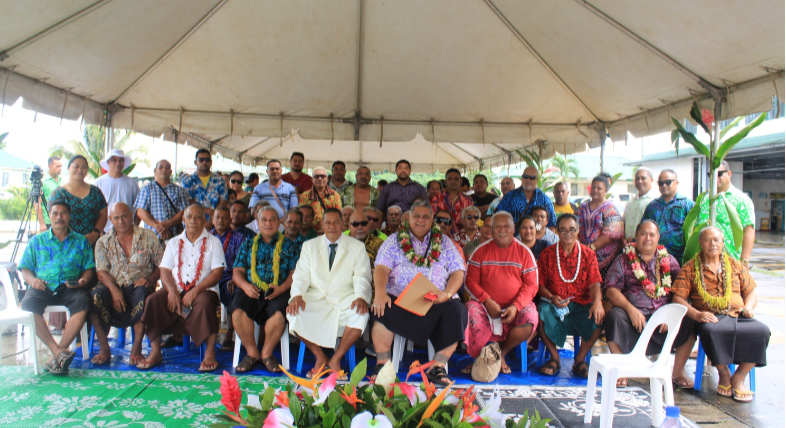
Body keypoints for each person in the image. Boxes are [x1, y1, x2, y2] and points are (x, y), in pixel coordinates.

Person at [371, 201, 467, 386]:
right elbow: (381, 268)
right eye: (417, 216)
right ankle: (382, 364)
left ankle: (438, 366)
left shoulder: (445, 242)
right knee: (382, 307)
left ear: (432, 220)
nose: (421, 220)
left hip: (436, 299)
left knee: (457, 311)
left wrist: (446, 294)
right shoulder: (394, 240)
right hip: (400, 298)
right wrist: (380, 293)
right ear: (409, 218)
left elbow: (458, 272)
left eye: (426, 217)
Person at [671, 226, 769, 402]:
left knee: (762, 331)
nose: (712, 243)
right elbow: (678, 298)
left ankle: (739, 376)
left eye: (716, 240)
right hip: (710, 317)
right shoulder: (690, 268)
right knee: (711, 331)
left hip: (738, 314)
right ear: (700, 243)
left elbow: (751, 292)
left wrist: (749, 306)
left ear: (723, 243)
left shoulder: (735, 264)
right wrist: (697, 315)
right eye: (708, 240)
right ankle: (724, 373)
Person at [604, 220, 694, 387]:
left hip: (663, 322)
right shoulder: (623, 260)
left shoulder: (669, 260)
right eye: (643, 234)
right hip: (634, 320)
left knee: (690, 318)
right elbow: (611, 290)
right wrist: (630, 310)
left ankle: (678, 370)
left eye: (652, 235)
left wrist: (670, 313)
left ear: (658, 238)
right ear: (636, 237)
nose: (648, 238)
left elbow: (681, 290)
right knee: (614, 316)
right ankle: (621, 368)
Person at [137, 205, 227, 371]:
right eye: (189, 216)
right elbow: (164, 270)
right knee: (153, 301)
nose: (193, 220)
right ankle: (155, 351)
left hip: (203, 291)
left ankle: (209, 353)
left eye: (198, 216)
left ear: (205, 220)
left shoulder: (214, 243)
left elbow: (217, 273)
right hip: (176, 288)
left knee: (206, 302)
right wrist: (171, 291)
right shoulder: (173, 242)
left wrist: (195, 291)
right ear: (183, 220)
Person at [287, 208, 372, 376]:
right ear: (322, 225)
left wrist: (361, 297)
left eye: (336, 222)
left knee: (361, 315)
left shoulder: (357, 246)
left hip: (345, 299)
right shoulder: (309, 246)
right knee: (294, 314)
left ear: (343, 224)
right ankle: (320, 357)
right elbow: (301, 275)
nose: (332, 226)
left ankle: (336, 359)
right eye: (328, 222)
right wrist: (296, 296)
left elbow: (362, 276)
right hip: (316, 299)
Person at [18, 201, 94, 375]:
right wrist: (32, 280)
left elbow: (89, 269)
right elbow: (25, 268)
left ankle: (57, 353)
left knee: (84, 301)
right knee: (28, 305)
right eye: (55, 213)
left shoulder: (81, 241)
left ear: (69, 216)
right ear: (49, 216)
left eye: (63, 213)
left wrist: (83, 281)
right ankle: (57, 351)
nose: (59, 217)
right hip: (43, 286)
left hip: (69, 287)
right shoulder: (37, 241)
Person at [463, 212, 539, 375]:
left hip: (514, 307)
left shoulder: (524, 252)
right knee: (470, 310)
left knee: (530, 317)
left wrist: (516, 306)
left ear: (513, 229)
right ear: (491, 229)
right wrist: (487, 301)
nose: (502, 230)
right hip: (485, 306)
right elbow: (470, 281)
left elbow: (532, 285)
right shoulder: (480, 251)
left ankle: (501, 353)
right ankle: (481, 357)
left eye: (506, 226)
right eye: (498, 226)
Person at [91, 203, 163, 365]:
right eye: (116, 218)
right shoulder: (103, 242)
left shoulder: (148, 237)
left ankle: (136, 348)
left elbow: (162, 266)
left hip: (139, 285)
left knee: (144, 294)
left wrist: (150, 280)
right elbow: (101, 271)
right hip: (112, 286)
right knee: (95, 296)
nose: (121, 221)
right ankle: (104, 348)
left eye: (124, 216)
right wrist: (114, 289)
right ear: (110, 219)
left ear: (131, 214)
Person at [231, 207, 301, 373]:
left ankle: (267, 353)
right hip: (251, 289)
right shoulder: (248, 244)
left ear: (279, 223)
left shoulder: (290, 246)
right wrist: (245, 286)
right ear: (258, 223)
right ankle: (252, 353)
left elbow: (295, 273)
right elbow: (237, 271)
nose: (268, 223)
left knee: (279, 315)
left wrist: (282, 288)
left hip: (279, 290)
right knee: (237, 311)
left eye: (272, 220)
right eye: (264, 220)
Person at [536, 214, 604, 378]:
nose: (568, 233)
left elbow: (595, 283)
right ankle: (555, 358)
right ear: (557, 231)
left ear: (578, 231)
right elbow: (539, 285)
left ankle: (579, 360)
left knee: (598, 316)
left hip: (581, 304)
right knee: (540, 312)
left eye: (572, 229)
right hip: (555, 304)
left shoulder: (588, 254)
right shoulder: (547, 254)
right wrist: (552, 298)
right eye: (563, 230)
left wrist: (597, 302)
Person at [211, 205, 253, 350]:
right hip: (209, 277)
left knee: (233, 292)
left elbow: (242, 264)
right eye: (217, 217)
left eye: (224, 217)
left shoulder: (238, 238)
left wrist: (234, 279)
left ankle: (230, 332)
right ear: (212, 219)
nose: (221, 220)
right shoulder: (207, 237)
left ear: (229, 220)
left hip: (228, 277)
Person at [696, 161, 756, 263]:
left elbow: (749, 230)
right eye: (711, 174)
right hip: (703, 261)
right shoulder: (703, 199)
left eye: (719, 174)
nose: (715, 177)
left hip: (731, 260)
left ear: (729, 174)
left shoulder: (742, 200)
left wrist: (744, 260)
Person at [49, 155, 108, 246]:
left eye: (83, 167)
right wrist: (73, 237)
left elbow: (103, 215)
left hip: (91, 242)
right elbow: (54, 218)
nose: (80, 170)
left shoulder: (96, 192)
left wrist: (95, 232)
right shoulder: (58, 194)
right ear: (69, 168)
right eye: (76, 167)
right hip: (67, 243)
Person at [577, 174, 625, 281]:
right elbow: (574, 226)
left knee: (601, 286)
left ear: (606, 191)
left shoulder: (610, 208)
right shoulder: (583, 207)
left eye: (599, 188)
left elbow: (612, 233)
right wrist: (581, 247)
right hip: (583, 254)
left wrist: (591, 248)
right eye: (593, 187)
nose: (595, 190)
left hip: (605, 257)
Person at [641, 169, 695, 263]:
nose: (664, 185)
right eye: (661, 183)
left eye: (668, 182)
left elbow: (695, 232)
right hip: (654, 259)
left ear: (676, 183)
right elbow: (642, 229)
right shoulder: (652, 206)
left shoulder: (687, 204)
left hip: (679, 259)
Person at [136, 160, 191, 240]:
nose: (164, 170)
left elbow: (184, 211)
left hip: (174, 237)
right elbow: (140, 211)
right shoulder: (147, 189)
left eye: (167, 168)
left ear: (171, 172)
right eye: (161, 167)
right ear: (155, 170)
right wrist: (159, 227)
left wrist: (168, 224)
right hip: (151, 238)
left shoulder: (179, 190)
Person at [180, 149, 228, 229]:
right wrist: (208, 211)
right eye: (201, 160)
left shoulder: (220, 181)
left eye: (207, 160)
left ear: (211, 162)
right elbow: (187, 202)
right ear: (196, 162)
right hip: (192, 224)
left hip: (215, 224)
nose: (204, 162)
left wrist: (211, 220)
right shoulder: (186, 181)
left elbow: (223, 201)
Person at [95, 149, 140, 233]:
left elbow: (139, 208)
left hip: (127, 230)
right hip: (105, 231)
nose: (117, 163)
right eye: (114, 160)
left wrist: (135, 227)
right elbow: (94, 209)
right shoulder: (98, 183)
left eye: (120, 160)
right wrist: (99, 232)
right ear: (108, 162)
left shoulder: (132, 183)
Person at [430, 168, 474, 236]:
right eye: (450, 179)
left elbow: (471, 220)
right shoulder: (437, 198)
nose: (453, 181)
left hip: (462, 238)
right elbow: (433, 219)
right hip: (440, 237)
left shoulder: (468, 200)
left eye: (456, 179)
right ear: (445, 182)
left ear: (461, 181)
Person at [300, 166, 342, 234]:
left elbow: (338, 216)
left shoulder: (335, 195)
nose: (320, 179)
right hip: (310, 233)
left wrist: (327, 229)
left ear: (327, 179)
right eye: (316, 176)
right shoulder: (305, 196)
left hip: (330, 231)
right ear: (312, 180)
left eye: (322, 176)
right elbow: (302, 216)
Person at [623, 167, 658, 242]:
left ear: (651, 180)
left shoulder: (655, 202)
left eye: (643, 178)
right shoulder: (630, 202)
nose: (640, 181)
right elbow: (623, 223)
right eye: (637, 178)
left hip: (645, 246)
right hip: (627, 247)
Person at [37, 156, 63, 231]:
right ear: (50, 166)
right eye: (57, 166)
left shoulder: (62, 181)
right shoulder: (43, 181)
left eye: (61, 166)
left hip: (61, 220)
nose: (60, 168)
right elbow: (37, 203)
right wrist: (42, 223)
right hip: (48, 221)